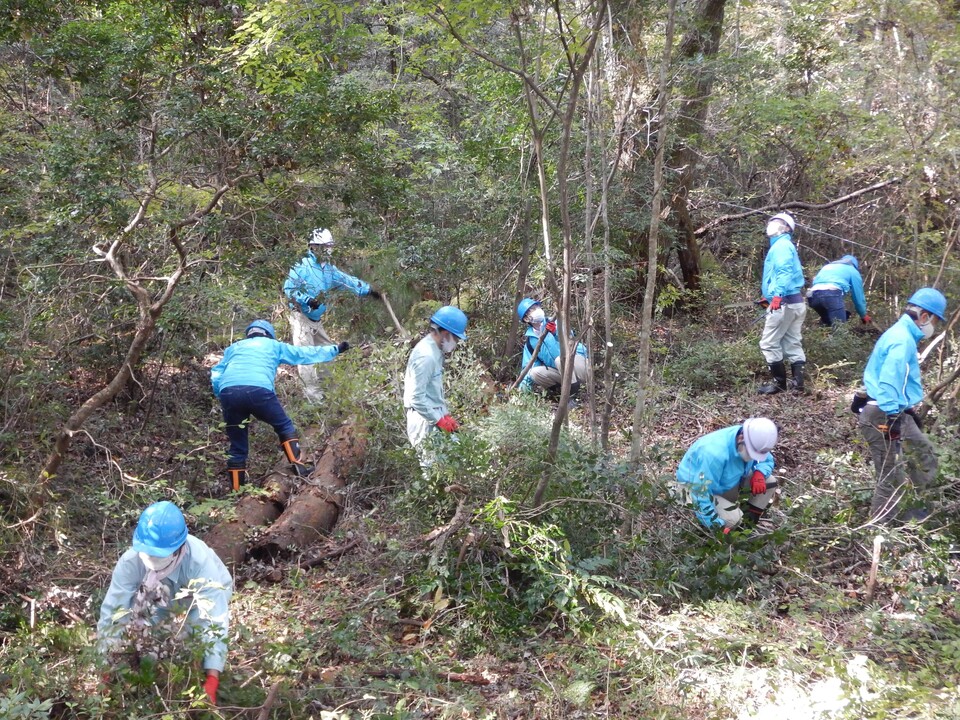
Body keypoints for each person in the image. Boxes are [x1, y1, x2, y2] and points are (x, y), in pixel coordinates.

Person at [97, 501, 233, 705]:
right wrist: (105, 664)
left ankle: (202, 672)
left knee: (192, 643)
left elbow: (214, 618)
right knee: (152, 647)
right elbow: (114, 610)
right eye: (148, 552)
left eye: (158, 554)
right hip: (157, 596)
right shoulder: (131, 562)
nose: (151, 557)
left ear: (178, 548)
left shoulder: (199, 564)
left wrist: (212, 676)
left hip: (194, 601)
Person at [210, 319, 350, 490]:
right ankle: (298, 467)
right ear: (268, 334)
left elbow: (216, 372)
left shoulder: (234, 348)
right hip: (258, 389)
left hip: (229, 391)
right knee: (283, 425)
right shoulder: (273, 345)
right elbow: (303, 354)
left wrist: (221, 393)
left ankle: (236, 491)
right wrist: (335, 349)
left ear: (249, 334)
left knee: (237, 445)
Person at [857, 288, 946, 524]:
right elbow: (887, 380)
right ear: (924, 316)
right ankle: (879, 529)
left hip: (895, 411)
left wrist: (905, 412)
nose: (933, 325)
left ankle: (918, 517)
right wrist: (893, 415)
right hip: (883, 414)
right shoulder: (901, 340)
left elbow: (890, 377)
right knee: (891, 476)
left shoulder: (901, 335)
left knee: (924, 454)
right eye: (935, 320)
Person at [283, 228, 381, 402]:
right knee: (306, 356)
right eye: (324, 246)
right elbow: (290, 289)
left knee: (327, 351)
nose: (327, 249)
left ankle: (331, 391)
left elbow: (347, 281)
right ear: (313, 247)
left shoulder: (329, 269)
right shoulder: (301, 266)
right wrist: (307, 299)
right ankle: (314, 399)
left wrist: (368, 290)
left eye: (329, 246)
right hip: (301, 316)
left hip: (316, 318)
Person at [673, 418, 779, 532]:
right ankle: (714, 528)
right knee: (733, 519)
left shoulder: (755, 439)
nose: (754, 458)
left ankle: (748, 525)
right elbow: (700, 493)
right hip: (691, 490)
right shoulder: (714, 454)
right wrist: (716, 525)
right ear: (741, 438)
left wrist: (760, 473)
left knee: (770, 482)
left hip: (725, 482)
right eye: (751, 453)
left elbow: (766, 459)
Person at [403, 306, 468, 468]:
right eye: (457, 339)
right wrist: (439, 420)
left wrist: (445, 415)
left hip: (434, 414)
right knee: (433, 470)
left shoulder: (435, 350)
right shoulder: (426, 356)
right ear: (446, 334)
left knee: (455, 460)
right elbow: (416, 398)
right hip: (423, 420)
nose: (457, 343)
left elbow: (434, 389)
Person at [758, 212, 808, 394]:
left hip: (784, 303)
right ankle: (798, 385)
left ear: (786, 228)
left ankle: (779, 384)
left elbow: (784, 272)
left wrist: (777, 296)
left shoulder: (781, 246)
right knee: (793, 342)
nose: (772, 224)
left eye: (777, 222)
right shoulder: (785, 246)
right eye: (771, 221)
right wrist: (769, 297)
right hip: (795, 302)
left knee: (768, 343)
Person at [516, 298, 590, 406]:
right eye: (531, 310)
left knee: (560, 360)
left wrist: (556, 333)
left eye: (536, 307)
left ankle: (573, 396)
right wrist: (520, 394)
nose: (536, 310)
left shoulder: (556, 322)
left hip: (580, 366)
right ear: (526, 319)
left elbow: (571, 339)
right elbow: (527, 369)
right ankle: (560, 392)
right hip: (562, 374)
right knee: (534, 373)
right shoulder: (531, 342)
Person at [807, 255, 871, 326]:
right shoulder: (852, 270)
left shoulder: (828, 266)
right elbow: (858, 296)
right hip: (830, 294)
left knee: (829, 324)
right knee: (839, 328)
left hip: (813, 297)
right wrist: (863, 314)